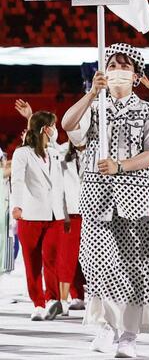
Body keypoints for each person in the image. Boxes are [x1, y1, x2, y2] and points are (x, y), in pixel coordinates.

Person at [61, 43, 149, 360]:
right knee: (98, 263)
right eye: (112, 65)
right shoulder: (94, 108)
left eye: (124, 65)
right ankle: (108, 324)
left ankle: (128, 336)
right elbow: (68, 125)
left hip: (136, 200)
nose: (117, 69)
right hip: (97, 199)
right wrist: (91, 94)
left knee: (137, 268)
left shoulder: (148, 111)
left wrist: (122, 166)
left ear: (136, 75)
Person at [10, 111, 66, 321]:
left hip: (54, 215)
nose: (56, 129)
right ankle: (39, 304)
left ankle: (52, 299)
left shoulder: (54, 151)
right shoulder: (22, 153)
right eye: (53, 126)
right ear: (45, 129)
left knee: (51, 258)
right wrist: (17, 205)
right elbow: (16, 181)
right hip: (30, 214)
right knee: (32, 262)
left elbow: (63, 152)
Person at [59, 140, 86, 314]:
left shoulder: (98, 150)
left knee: (86, 259)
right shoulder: (61, 152)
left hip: (92, 214)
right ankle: (62, 300)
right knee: (67, 258)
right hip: (71, 213)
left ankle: (81, 295)